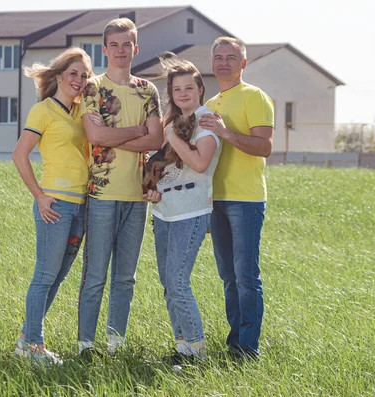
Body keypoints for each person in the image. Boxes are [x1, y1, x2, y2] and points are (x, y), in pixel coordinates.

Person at [77, 17, 163, 358]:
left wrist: (130, 135)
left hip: (136, 196)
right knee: (95, 275)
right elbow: (95, 137)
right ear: (105, 49)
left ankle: (115, 345)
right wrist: (138, 131)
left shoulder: (147, 90)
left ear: (135, 48)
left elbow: (156, 139)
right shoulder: (92, 88)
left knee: (125, 278)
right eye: (114, 45)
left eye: (126, 44)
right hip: (100, 194)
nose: (120, 50)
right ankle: (85, 345)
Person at [12, 47, 93, 366]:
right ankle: (34, 346)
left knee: (57, 278)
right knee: (44, 276)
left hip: (80, 208)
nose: (79, 80)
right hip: (55, 206)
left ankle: (25, 340)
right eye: (73, 73)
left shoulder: (83, 111)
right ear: (59, 76)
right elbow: (20, 155)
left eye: (85, 75)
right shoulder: (44, 110)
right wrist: (40, 196)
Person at [198, 37, 274, 360]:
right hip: (216, 201)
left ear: (243, 64)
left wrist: (226, 132)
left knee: (246, 276)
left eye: (232, 57)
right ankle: (235, 343)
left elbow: (264, 147)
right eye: (218, 57)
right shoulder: (210, 103)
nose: (224, 62)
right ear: (212, 63)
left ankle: (249, 348)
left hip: (246, 201)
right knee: (228, 276)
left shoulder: (254, 97)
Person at [143, 54, 222, 365]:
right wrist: (153, 189)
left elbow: (200, 164)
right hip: (165, 211)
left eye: (189, 87)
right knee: (167, 282)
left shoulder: (206, 122)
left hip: (191, 212)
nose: (184, 94)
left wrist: (172, 137)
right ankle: (183, 349)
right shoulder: (171, 123)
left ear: (200, 89)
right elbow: (164, 166)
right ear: (171, 94)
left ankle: (199, 353)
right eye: (177, 90)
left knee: (178, 281)